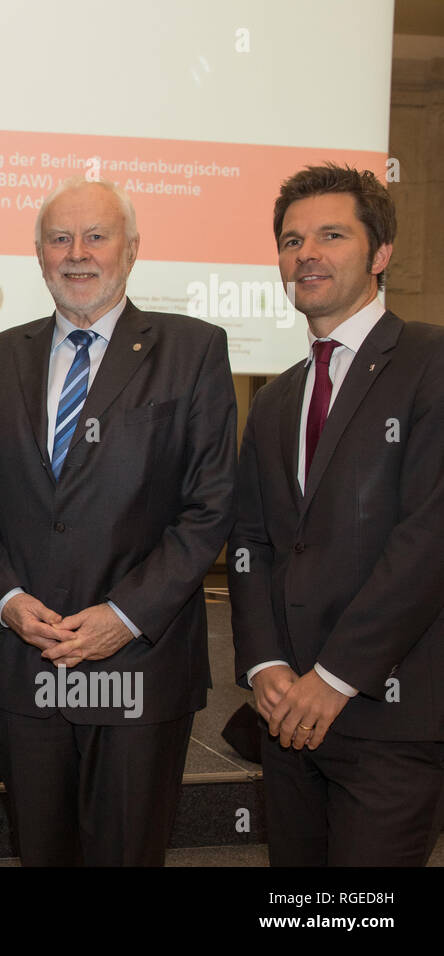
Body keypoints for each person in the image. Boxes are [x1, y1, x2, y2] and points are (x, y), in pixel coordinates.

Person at [0, 177, 236, 865]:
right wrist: (10, 601)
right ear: (38, 254)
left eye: (96, 236)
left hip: (142, 664)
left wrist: (125, 614)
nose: (76, 254)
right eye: (60, 238)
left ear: (132, 250)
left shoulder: (193, 349)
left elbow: (209, 508)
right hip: (27, 664)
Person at [229, 163, 444, 865]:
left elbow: (428, 539)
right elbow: (253, 543)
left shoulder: (430, 363)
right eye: (291, 240)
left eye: (331, 234)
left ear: (380, 254)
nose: (306, 254)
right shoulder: (277, 398)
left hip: (389, 716)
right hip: (287, 717)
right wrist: (265, 667)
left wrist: (335, 677)